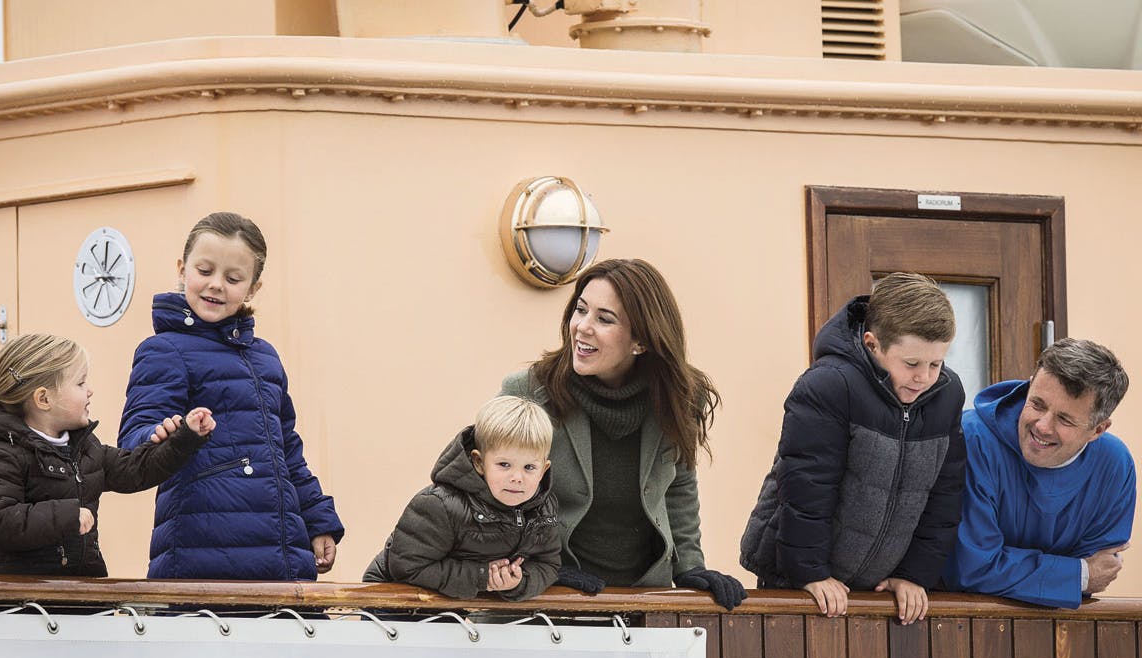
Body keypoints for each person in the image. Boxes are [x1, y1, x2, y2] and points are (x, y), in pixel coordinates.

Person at [500, 258, 745, 610]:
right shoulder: (529, 392)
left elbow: (678, 486)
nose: (582, 327)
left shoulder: (679, 397)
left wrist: (690, 566)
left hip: (643, 600)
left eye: (604, 318)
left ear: (641, 341)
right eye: (580, 310)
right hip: (548, 597)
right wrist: (537, 567)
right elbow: (482, 487)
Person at [118, 211, 344, 580]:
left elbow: (286, 451)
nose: (216, 285)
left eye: (233, 278)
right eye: (204, 271)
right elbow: (135, 436)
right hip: (202, 560)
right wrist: (162, 433)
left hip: (282, 562)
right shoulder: (163, 350)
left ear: (253, 288)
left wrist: (317, 518)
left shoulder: (265, 357)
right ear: (182, 269)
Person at [740, 272, 966, 625]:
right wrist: (810, 572)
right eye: (911, 364)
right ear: (873, 344)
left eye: (936, 364)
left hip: (880, 585)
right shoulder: (829, 386)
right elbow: (806, 487)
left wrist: (914, 574)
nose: (924, 377)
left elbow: (944, 495)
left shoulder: (947, 396)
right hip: (799, 577)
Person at [0, 333, 214, 577]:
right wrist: (67, 516)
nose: (89, 390)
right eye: (80, 383)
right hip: (15, 603)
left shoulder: (86, 449)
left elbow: (137, 469)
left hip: (76, 592)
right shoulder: (1, 456)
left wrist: (185, 438)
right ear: (43, 399)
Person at [943, 338, 1133, 609]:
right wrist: (1077, 574)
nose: (1043, 426)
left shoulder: (1115, 466)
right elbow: (971, 566)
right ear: (1030, 384)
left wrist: (1068, 577)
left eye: (1065, 419)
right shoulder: (972, 439)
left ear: (1098, 430)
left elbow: (1100, 569)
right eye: (1037, 404)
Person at [364, 396, 560, 601]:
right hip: (390, 602)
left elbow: (548, 564)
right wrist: (481, 576)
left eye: (529, 467)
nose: (517, 478)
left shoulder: (543, 509)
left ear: (543, 469)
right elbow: (406, 566)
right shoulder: (439, 505)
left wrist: (517, 581)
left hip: (449, 609)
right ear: (479, 462)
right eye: (504, 465)